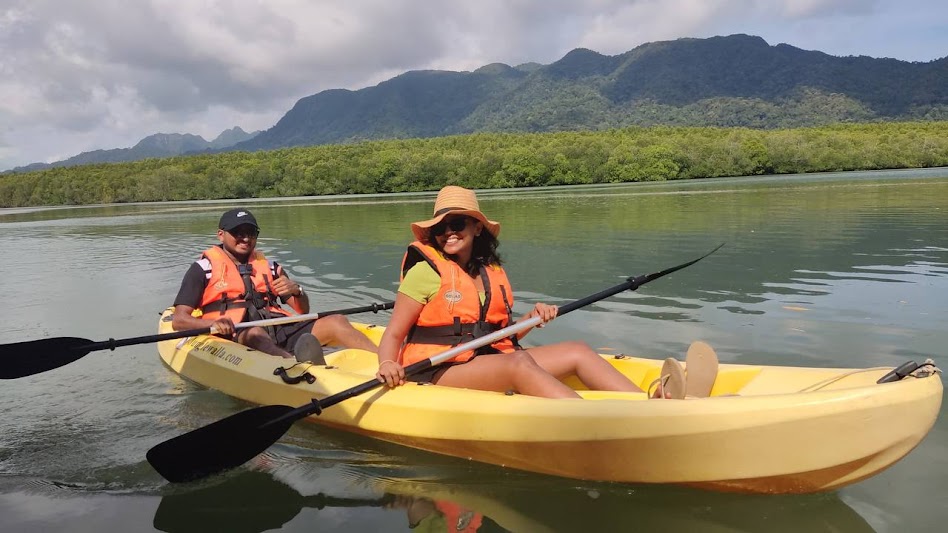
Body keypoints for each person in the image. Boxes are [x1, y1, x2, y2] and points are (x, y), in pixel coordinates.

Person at [374, 185, 696, 399]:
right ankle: (604, 420)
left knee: (577, 350)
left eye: (456, 223)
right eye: (440, 227)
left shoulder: (489, 270)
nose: (448, 232)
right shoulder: (424, 272)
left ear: (476, 227)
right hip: (437, 371)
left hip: (483, 360)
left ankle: (646, 404)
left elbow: (498, 335)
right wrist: (387, 363)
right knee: (519, 365)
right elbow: (393, 335)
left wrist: (531, 319)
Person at [171, 207, 378, 362]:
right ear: (221, 234)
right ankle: (297, 368)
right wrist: (212, 324)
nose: (246, 238)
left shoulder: (270, 267)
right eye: (238, 232)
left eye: (251, 233)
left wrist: (297, 290)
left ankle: (385, 360)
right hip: (238, 333)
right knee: (255, 334)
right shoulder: (203, 268)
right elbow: (179, 320)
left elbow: (302, 309)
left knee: (337, 320)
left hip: (279, 327)